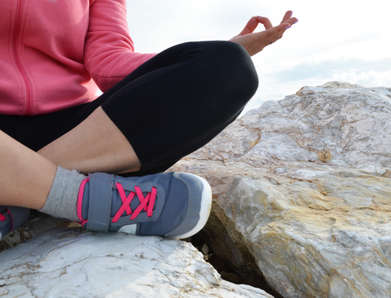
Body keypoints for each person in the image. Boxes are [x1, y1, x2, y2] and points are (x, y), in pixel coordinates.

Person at [0, 0, 297, 240]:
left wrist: (201, 57)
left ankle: (16, 192)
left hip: (78, 136)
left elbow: (109, 63)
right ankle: (81, 198)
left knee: (229, 66)